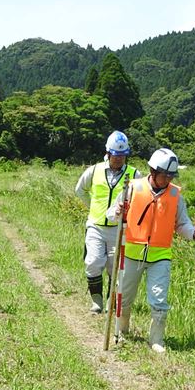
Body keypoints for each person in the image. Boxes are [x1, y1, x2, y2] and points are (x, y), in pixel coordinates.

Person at [106, 148, 195, 353]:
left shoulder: (176, 195)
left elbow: (182, 223)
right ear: (152, 170)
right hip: (131, 254)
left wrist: (193, 234)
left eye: (171, 175)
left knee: (159, 300)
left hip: (160, 256)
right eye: (164, 174)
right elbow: (112, 215)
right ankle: (122, 330)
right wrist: (117, 211)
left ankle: (156, 340)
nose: (167, 179)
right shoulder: (132, 187)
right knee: (124, 297)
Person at [74, 131, 141, 314]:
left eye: (122, 155)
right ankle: (97, 301)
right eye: (115, 155)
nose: (119, 159)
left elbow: (139, 199)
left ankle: (112, 301)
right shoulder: (94, 170)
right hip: (95, 225)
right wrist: (92, 207)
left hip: (118, 229)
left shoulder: (134, 174)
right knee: (93, 261)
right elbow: (80, 190)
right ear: (108, 153)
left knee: (115, 267)